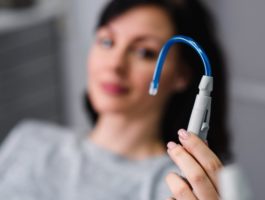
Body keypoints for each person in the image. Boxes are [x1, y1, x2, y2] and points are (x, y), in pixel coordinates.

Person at [0, 0, 231, 199]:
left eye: (144, 52)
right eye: (107, 42)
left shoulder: (182, 185)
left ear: (182, 75)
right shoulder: (28, 140)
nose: (115, 64)